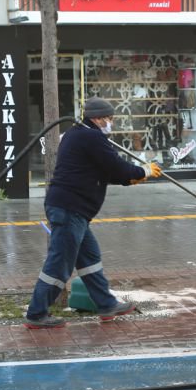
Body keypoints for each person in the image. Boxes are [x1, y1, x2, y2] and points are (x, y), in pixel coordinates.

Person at [24, 97, 163, 329]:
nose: (111, 123)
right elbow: (115, 167)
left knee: (90, 258)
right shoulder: (91, 136)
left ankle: (106, 305)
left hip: (73, 209)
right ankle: (36, 314)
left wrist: (132, 178)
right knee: (59, 264)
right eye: (110, 119)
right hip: (70, 209)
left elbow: (103, 172)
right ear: (98, 118)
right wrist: (143, 171)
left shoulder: (77, 134)